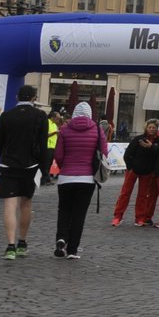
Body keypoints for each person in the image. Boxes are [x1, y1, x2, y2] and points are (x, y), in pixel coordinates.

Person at [0, 84, 50, 260]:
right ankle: (22, 243)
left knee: (10, 205)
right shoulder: (40, 116)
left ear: (17, 97)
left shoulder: (6, 116)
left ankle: (10, 246)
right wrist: (44, 170)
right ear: (34, 98)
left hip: (8, 165)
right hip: (30, 166)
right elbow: (43, 146)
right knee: (26, 204)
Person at [51, 102, 105, 259]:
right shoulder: (97, 129)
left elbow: (58, 155)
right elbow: (104, 152)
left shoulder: (64, 129)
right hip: (87, 179)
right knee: (79, 214)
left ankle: (61, 239)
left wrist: (64, 168)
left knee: (64, 210)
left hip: (66, 177)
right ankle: (72, 250)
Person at [112, 118, 158, 226]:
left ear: (156, 129)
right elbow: (127, 154)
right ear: (146, 128)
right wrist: (130, 167)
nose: (151, 129)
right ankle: (118, 216)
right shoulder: (138, 139)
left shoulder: (157, 142)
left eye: (154, 128)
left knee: (142, 196)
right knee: (125, 193)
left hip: (147, 172)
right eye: (149, 127)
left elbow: (158, 155)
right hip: (133, 170)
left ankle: (140, 217)